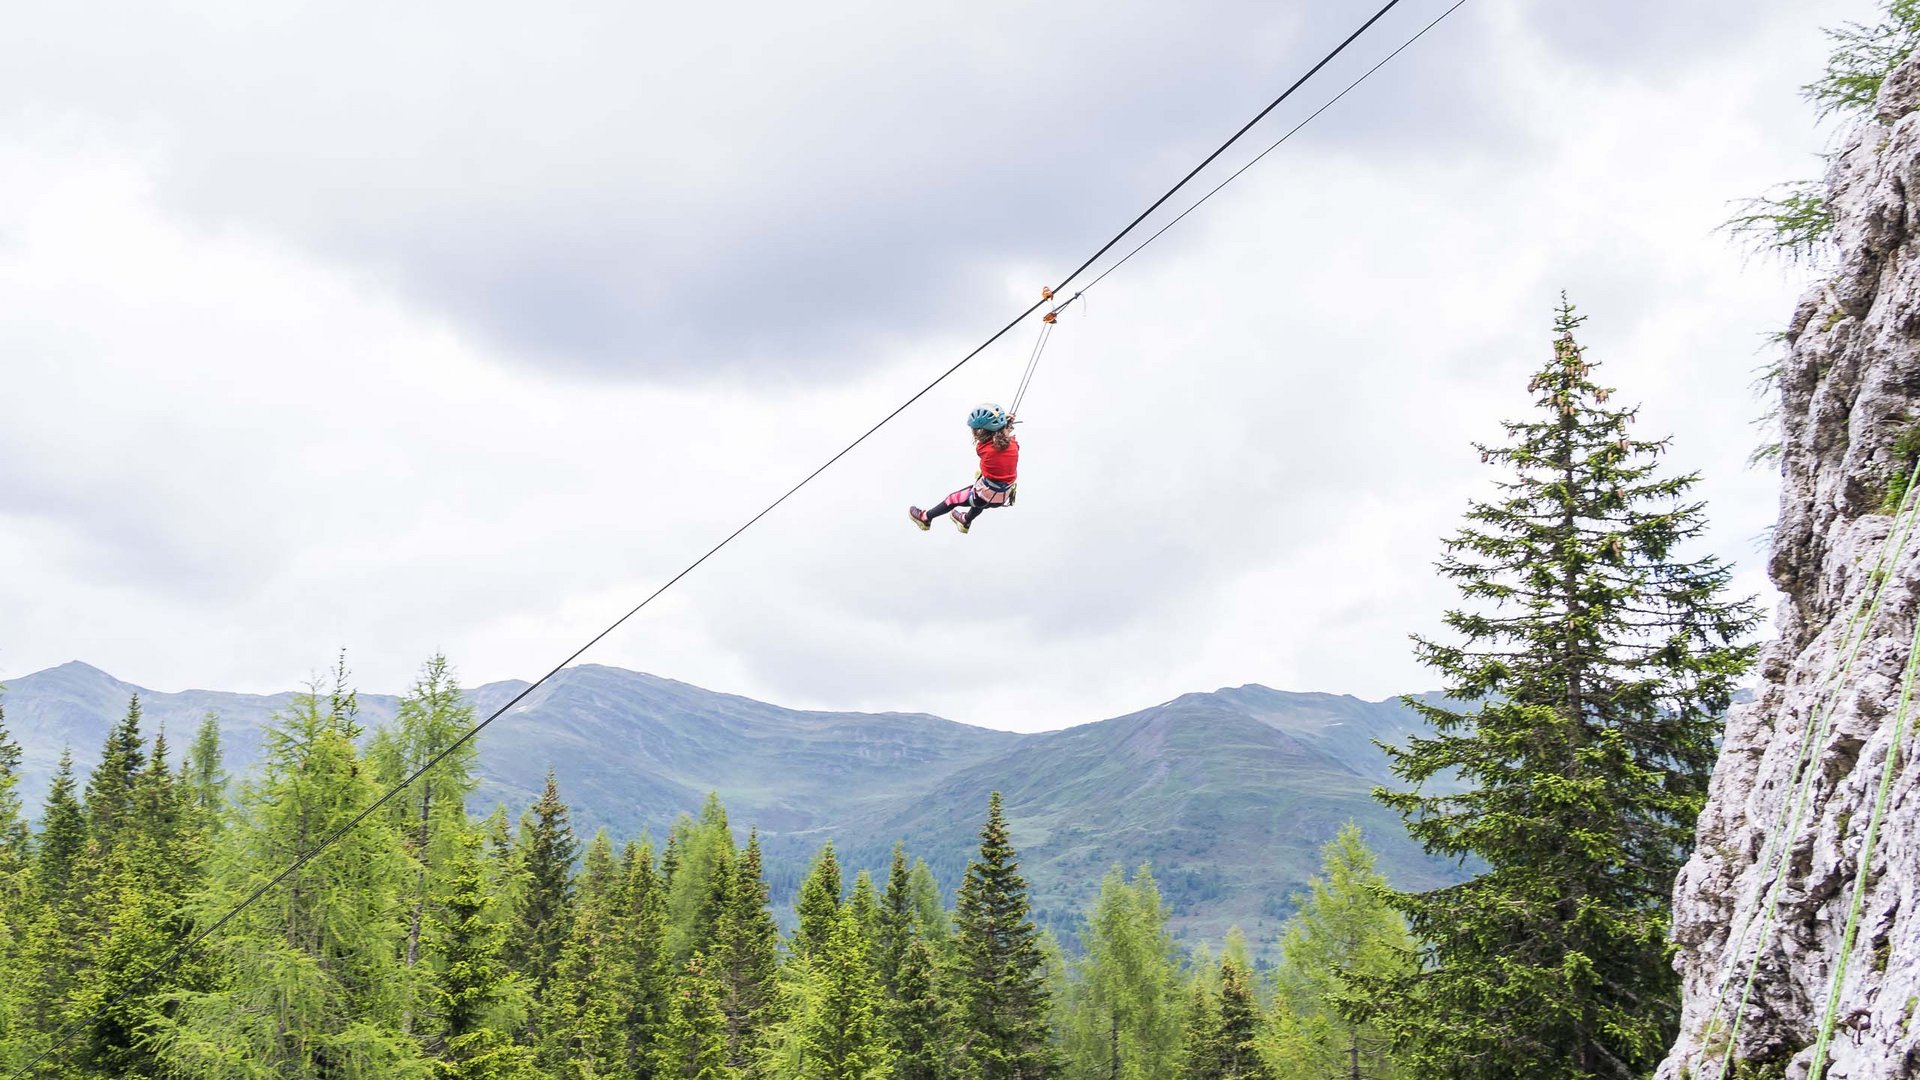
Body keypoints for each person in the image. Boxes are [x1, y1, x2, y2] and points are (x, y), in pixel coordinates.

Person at [910, 404, 1019, 534]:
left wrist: (1005, 423)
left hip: (984, 495)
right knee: (979, 494)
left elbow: (992, 443)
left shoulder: (983, 448)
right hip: (1002, 496)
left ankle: (925, 518)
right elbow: (1002, 439)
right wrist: (1005, 424)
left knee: (954, 499)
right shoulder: (1013, 444)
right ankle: (966, 520)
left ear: (982, 432)